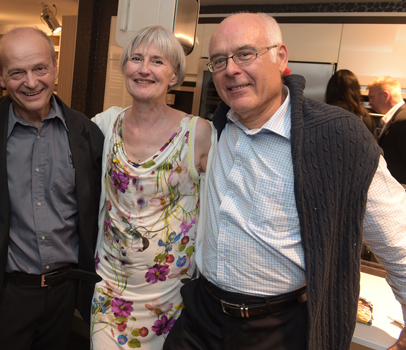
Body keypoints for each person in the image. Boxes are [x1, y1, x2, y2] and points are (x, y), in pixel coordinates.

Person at [163, 13, 406, 350]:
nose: (231, 69)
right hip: (201, 316)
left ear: (281, 57)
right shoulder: (214, 129)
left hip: (278, 329)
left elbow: (400, 242)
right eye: (219, 60)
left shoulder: (338, 137)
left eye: (246, 53)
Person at [90, 25, 214, 349]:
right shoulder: (106, 125)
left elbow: (223, 208)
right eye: (136, 58)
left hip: (173, 299)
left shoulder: (199, 134)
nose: (144, 69)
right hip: (110, 292)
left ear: (174, 75)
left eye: (157, 61)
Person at [0, 27, 104, 350]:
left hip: (65, 293)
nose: (32, 82)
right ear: (1, 77)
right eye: (17, 73)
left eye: (40, 69)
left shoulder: (86, 132)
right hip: (6, 294)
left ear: (55, 67)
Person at [368, 76, 406, 184]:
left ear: (385, 95)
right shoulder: (397, 118)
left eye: (372, 97)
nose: (370, 102)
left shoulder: (403, 120)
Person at [326, 69, 378, 140]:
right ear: (356, 90)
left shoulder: (325, 114)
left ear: (330, 90)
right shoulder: (365, 116)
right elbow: (374, 148)